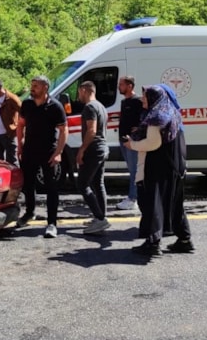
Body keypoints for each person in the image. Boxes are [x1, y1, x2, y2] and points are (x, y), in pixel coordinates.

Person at [123, 84, 193, 256]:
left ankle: (153, 243)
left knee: (152, 203)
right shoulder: (171, 112)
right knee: (175, 204)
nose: (142, 99)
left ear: (154, 98)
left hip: (159, 168)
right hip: (175, 166)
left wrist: (132, 144)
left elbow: (153, 143)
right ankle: (185, 240)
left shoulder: (156, 116)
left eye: (146, 96)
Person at [16, 75, 68, 238]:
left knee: (51, 187)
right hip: (29, 150)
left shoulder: (55, 106)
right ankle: (29, 212)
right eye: (32, 85)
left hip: (49, 152)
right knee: (28, 184)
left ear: (45, 87)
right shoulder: (27, 104)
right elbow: (20, 124)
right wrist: (20, 144)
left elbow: (63, 130)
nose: (32, 89)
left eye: (36, 86)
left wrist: (58, 153)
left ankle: (52, 223)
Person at [76, 80, 111, 235]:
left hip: (93, 149)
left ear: (84, 90)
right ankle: (101, 217)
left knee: (82, 184)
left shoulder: (90, 107)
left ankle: (100, 218)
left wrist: (81, 150)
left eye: (79, 92)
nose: (78, 95)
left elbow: (92, 131)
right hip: (102, 148)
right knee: (98, 183)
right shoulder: (101, 106)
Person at [117, 76, 143, 211]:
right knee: (131, 170)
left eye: (121, 84)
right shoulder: (124, 102)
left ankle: (133, 199)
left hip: (132, 141)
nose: (119, 87)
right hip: (123, 141)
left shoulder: (137, 101)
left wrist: (139, 128)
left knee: (134, 170)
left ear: (130, 86)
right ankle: (133, 197)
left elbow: (146, 118)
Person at [0, 78, 21, 164]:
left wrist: (17, 127)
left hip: (8, 134)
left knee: (12, 162)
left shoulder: (11, 98)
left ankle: (15, 177)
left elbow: (23, 112)